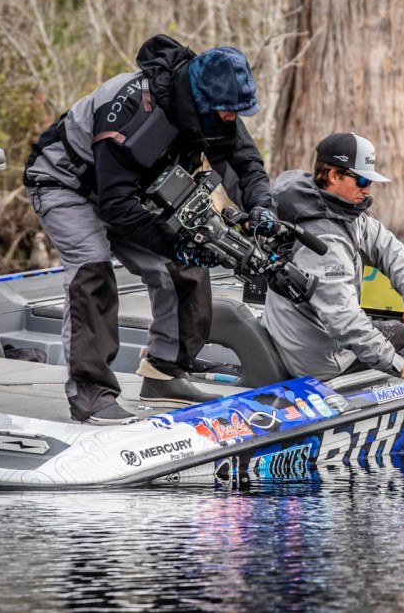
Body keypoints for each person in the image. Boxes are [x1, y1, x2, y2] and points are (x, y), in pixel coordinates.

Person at [24, 34, 276, 425]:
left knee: (185, 267)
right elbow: (117, 207)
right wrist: (173, 243)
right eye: (228, 111)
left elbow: (243, 163)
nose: (232, 118)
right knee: (92, 268)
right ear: (201, 99)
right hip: (65, 182)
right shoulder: (130, 112)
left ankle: (163, 373)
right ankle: (90, 392)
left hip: (129, 187)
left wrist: (262, 208)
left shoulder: (213, 107)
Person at [261, 132, 404, 385]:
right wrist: (399, 366)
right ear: (332, 175)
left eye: (370, 180)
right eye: (361, 179)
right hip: (319, 359)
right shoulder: (323, 239)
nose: (367, 188)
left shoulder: (338, 210)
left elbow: (388, 248)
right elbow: (344, 319)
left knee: (384, 327)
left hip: (303, 337)